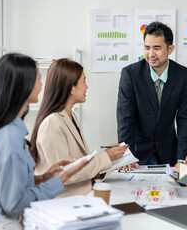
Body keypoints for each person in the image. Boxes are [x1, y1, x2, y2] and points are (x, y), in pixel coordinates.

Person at [0, 53, 89, 229]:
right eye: (39, 79)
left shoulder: (7, 129)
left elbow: (8, 184)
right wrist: (60, 180)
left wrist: (43, 178)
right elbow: (14, 203)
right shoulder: (8, 137)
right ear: (24, 85)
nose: (42, 85)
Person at [31, 58, 128, 197]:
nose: (86, 86)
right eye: (84, 81)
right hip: (62, 203)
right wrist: (106, 157)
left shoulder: (70, 116)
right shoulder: (52, 123)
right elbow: (66, 173)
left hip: (80, 196)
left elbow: (79, 162)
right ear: (71, 88)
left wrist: (113, 159)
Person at [117, 21, 187, 166]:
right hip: (137, 154)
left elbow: (186, 118)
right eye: (147, 47)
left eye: (157, 48)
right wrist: (126, 156)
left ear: (170, 49)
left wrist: (182, 158)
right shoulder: (130, 75)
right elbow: (125, 119)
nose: (151, 54)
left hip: (169, 154)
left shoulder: (183, 75)